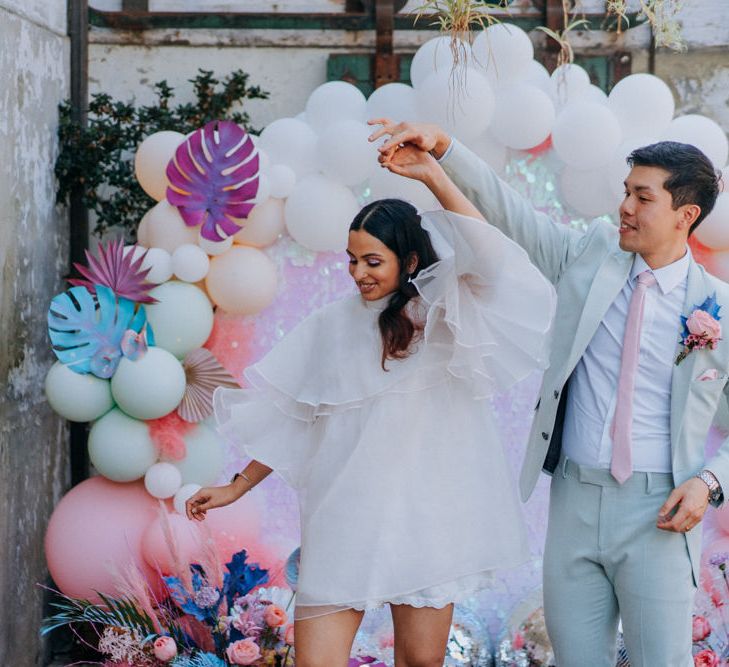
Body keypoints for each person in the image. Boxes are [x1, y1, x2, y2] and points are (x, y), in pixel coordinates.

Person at [372, 119, 728, 666]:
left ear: (686, 215)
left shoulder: (719, 307)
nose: (625, 208)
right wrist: (444, 152)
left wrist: (709, 483)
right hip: (574, 503)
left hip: (660, 510)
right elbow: (512, 213)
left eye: (642, 196)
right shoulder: (588, 258)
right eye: (625, 192)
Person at [185, 144, 556, 667]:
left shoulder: (444, 314)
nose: (358, 272)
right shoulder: (330, 326)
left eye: (373, 261)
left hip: (425, 518)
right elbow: (293, 418)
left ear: (409, 261)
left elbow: (492, 257)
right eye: (352, 260)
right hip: (343, 514)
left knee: (421, 662)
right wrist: (235, 486)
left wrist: (435, 178)